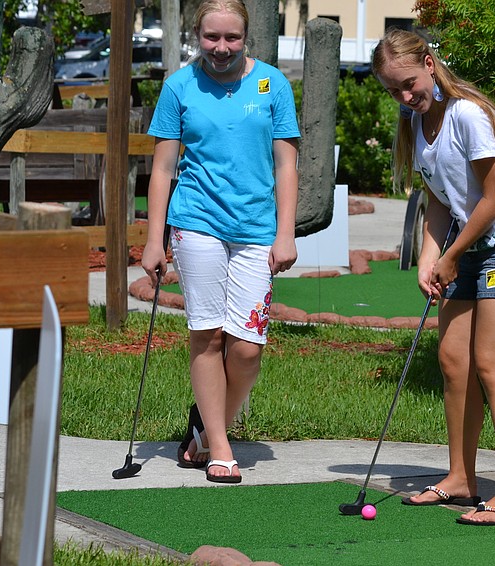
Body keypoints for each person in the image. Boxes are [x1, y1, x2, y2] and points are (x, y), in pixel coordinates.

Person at [371, 29, 495, 525]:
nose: (406, 97)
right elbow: (440, 199)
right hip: (468, 248)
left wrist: (453, 256)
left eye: (409, 84)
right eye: (394, 92)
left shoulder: (468, 113)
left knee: (493, 365)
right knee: (454, 362)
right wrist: (431, 257)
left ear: (429, 63)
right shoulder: (417, 123)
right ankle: (461, 479)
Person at [141, 0, 300, 483]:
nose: (222, 48)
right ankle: (220, 446)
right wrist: (153, 239)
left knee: (248, 347)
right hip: (197, 223)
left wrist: (286, 231)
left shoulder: (273, 84)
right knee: (208, 334)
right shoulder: (179, 87)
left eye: (231, 38)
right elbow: (163, 169)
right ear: (197, 35)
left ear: (246, 36)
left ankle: (204, 429)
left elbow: (287, 164)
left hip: (256, 228)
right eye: (212, 37)